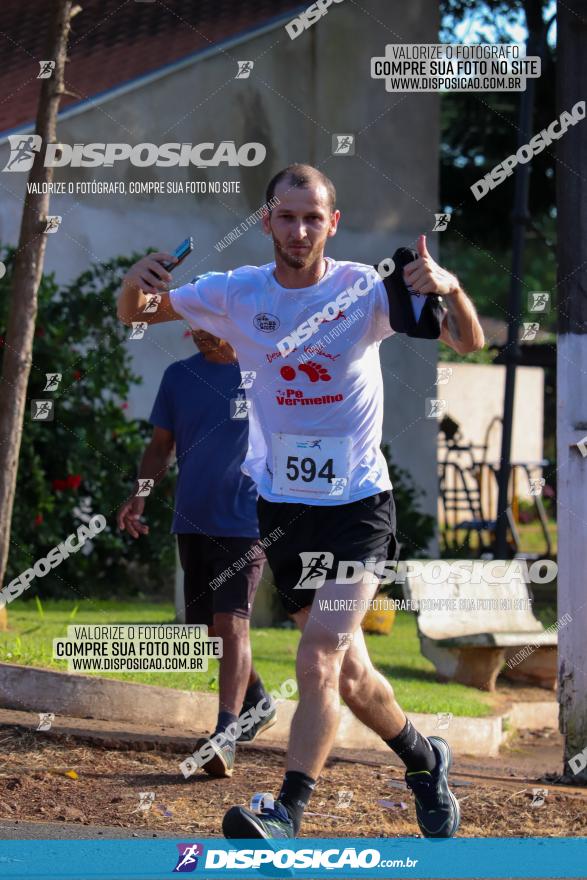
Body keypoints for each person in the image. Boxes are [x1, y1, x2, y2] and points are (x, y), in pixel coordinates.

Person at [117, 164, 484, 840]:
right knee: (350, 676)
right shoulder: (235, 293)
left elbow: (467, 341)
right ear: (266, 222)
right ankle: (424, 758)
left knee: (317, 653)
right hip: (283, 508)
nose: (298, 229)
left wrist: (451, 289)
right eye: (286, 217)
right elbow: (139, 313)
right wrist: (131, 284)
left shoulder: (362, 290)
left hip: (356, 507)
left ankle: (286, 809)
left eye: (312, 217)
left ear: (331, 224)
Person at [116, 328, 276, 778]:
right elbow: (159, 446)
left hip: (247, 519)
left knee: (231, 623)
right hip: (192, 518)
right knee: (206, 630)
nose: (204, 335)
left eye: (213, 325)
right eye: (196, 327)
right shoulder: (178, 376)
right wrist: (141, 496)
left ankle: (225, 733)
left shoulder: (261, 373)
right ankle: (257, 701)